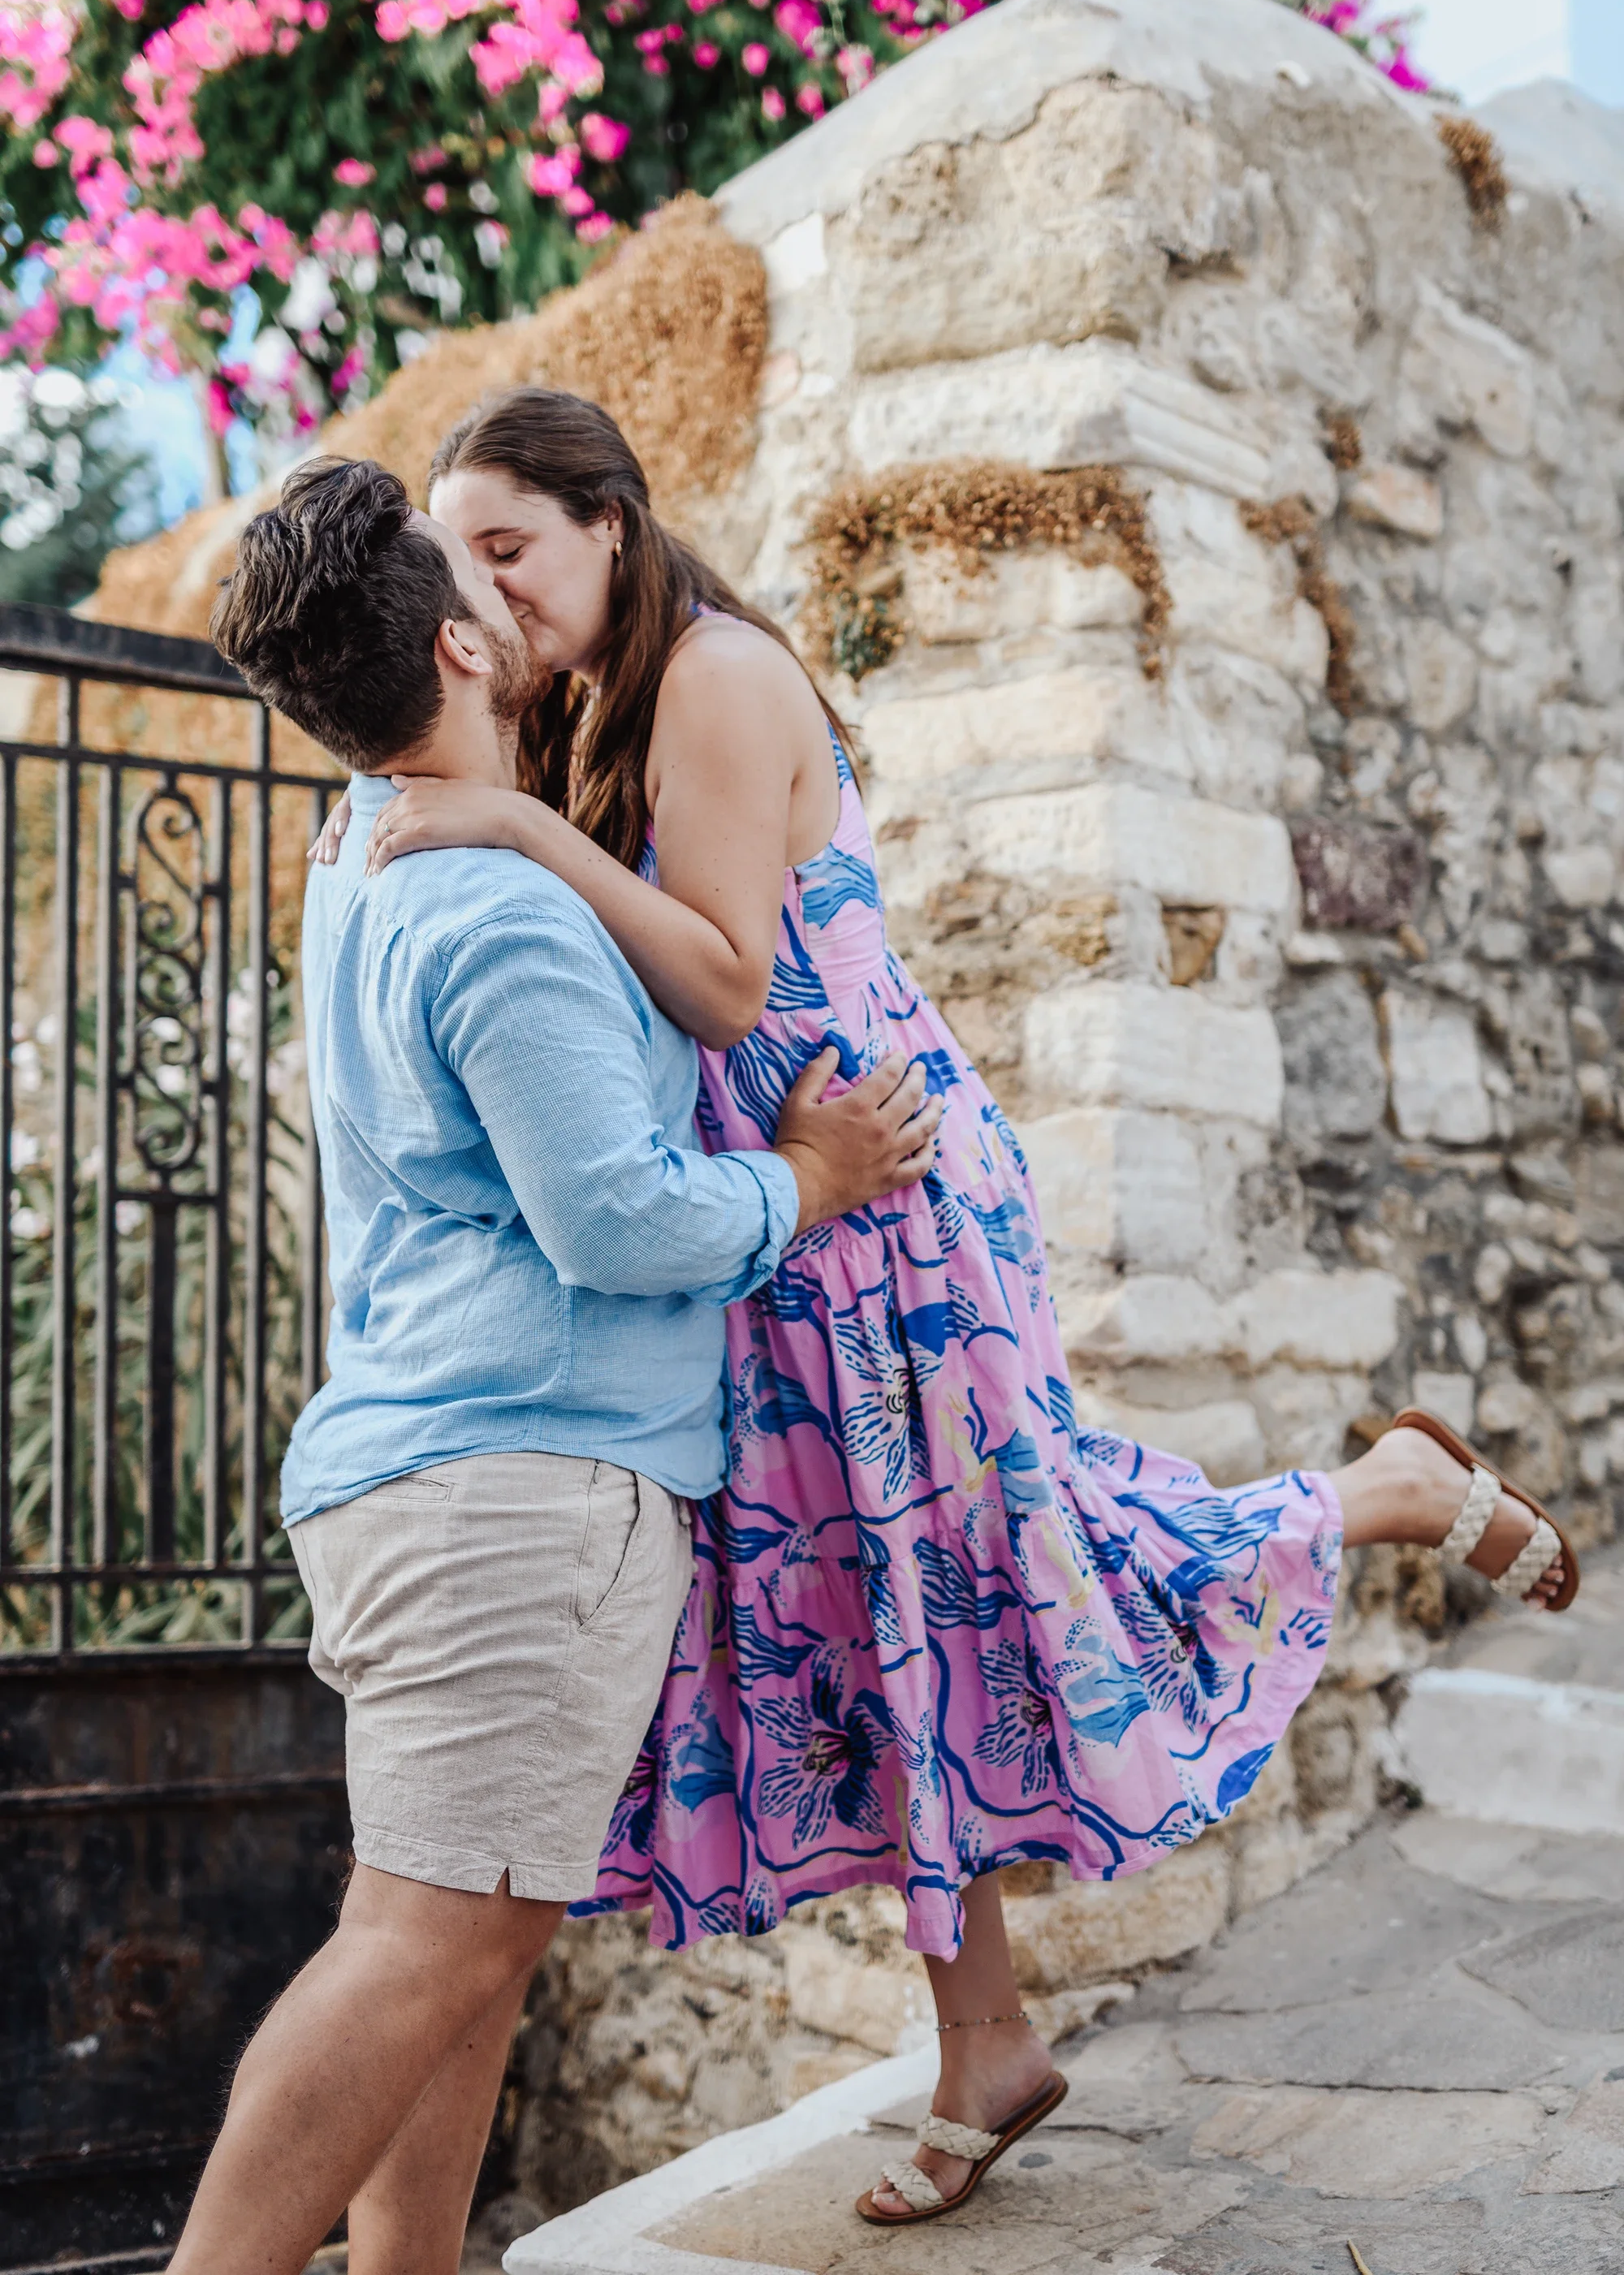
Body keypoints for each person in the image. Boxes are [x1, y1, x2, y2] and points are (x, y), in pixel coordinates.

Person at [317, 386, 1576, 2226]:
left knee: (1006, 1566)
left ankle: (1378, 1492)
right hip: (791, 1227)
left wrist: (529, 845)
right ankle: (982, 2040)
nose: (490, 592)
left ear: (611, 519)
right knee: (894, 1604)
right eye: (465, 563)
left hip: (882, 1212)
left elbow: (736, 986)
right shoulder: (594, 708)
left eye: (513, 545)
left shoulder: (716, 679)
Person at [175, 454, 944, 2275]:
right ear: (450, 643)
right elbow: (619, 1223)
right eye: (481, 577)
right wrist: (808, 1182)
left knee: (459, 1933)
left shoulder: (360, 844)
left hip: (434, 1476)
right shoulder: (504, 914)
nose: (519, 599)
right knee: (428, 1947)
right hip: (522, 1489)